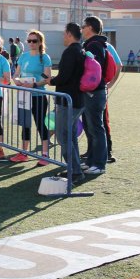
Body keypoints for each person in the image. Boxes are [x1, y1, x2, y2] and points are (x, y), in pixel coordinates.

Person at [45, 23, 86, 184]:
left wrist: (52, 80)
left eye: (64, 34)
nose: (63, 37)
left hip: (68, 101)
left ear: (69, 34)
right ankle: (75, 168)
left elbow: (65, 76)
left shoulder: (71, 51)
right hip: (77, 100)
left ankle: (75, 170)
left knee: (62, 136)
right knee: (70, 136)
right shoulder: (81, 50)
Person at [10, 30, 52, 166]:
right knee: (25, 124)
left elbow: (47, 78)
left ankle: (45, 155)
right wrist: (16, 80)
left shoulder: (45, 57)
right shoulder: (23, 56)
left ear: (40, 42)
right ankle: (24, 153)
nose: (31, 43)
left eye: (34, 41)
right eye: (29, 41)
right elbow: (16, 74)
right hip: (24, 96)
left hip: (38, 96)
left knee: (41, 125)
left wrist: (34, 84)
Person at [81, 16, 109, 175]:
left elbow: (92, 70)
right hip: (92, 91)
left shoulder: (95, 46)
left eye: (83, 26)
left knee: (96, 128)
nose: (81, 29)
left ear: (90, 27)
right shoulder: (94, 44)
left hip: (94, 92)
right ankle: (91, 160)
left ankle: (99, 164)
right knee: (90, 128)